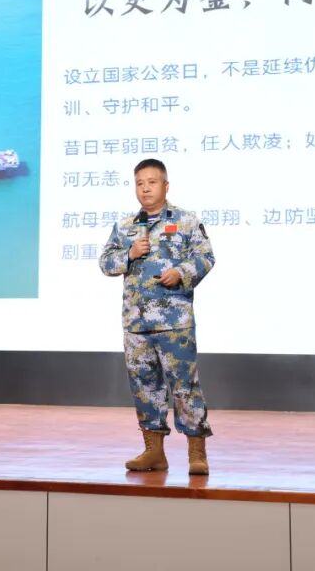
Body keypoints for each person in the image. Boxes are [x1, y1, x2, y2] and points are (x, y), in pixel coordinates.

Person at [99, 158, 214, 474]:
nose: (145, 188)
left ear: (165, 185)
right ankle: (154, 452)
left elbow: (205, 257)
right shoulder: (125, 226)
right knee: (144, 387)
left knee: (184, 387)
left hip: (174, 323)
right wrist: (129, 254)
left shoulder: (185, 221)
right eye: (140, 183)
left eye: (152, 182)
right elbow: (106, 263)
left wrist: (181, 272)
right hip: (136, 324)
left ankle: (196, 454)